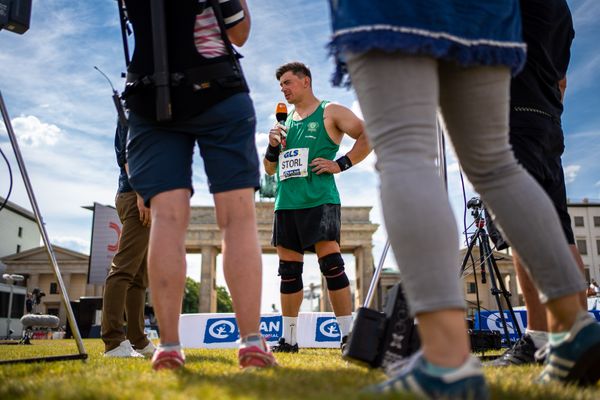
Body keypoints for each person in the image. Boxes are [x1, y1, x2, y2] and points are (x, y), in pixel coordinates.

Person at [328, 1, 600, 398]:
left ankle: (445, 358)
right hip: (486, 13)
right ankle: (574, 326)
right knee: (496, 165)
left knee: (404, 151)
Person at [123, 0, 276, 370]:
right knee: (237, 218)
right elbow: (238, 32)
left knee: (167, 219)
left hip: (150, 94)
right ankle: (252, 342)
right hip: (218, 87)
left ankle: (169, 346)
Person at [487, 0, 588, 368]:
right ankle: (579, 337)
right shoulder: (560, 9)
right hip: (546, 122)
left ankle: (541, 338)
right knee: (559, 233)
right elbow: (560, 79)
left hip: (512, 119)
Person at [263, 62, 370, 352]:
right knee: (288, 271)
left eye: (287, 82)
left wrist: (340, 164)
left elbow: (367, 135)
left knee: (332, 266)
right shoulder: (284, 122)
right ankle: (289, 339)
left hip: (319, 200)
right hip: (286, 203)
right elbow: (269, 169)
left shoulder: (330, 110)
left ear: (305, 81)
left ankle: (348, 337)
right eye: (280, 85)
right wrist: (273, 145)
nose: (283, 89)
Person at [101, 120, 155, 359]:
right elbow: (128, 156)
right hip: (136, 195)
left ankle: (138, 340)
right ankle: (113, 341)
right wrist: (143, 193)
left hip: (143, 196)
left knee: (139, 275)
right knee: (123, 269)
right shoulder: (132, 111)